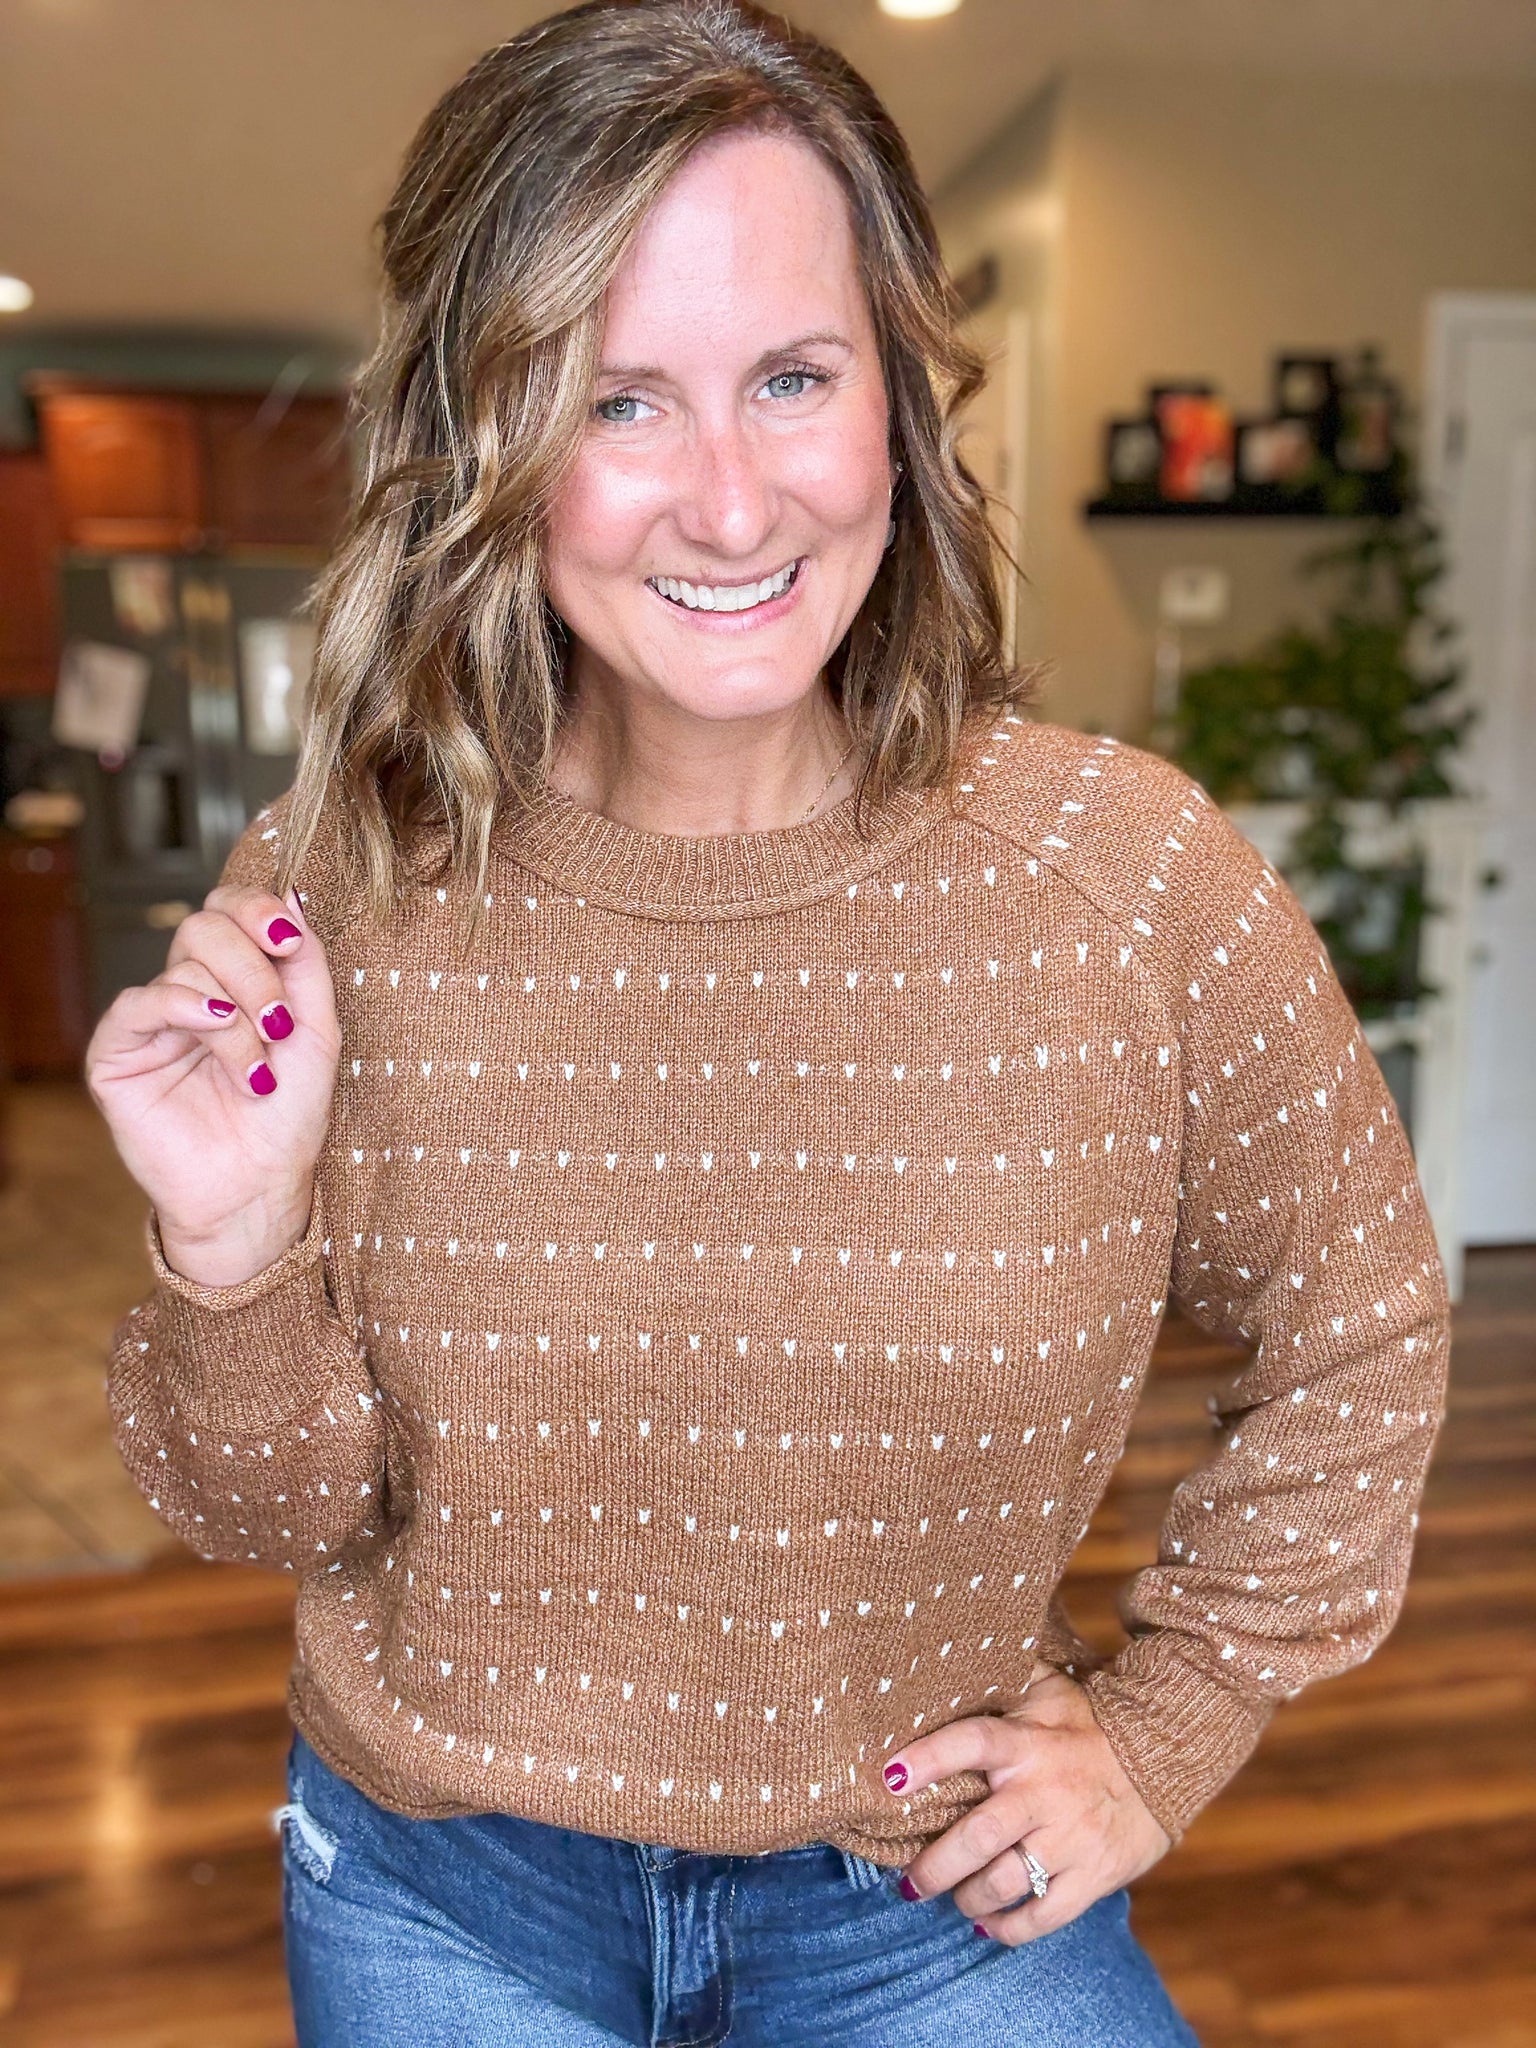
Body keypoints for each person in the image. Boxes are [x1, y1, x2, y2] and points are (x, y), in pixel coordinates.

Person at [86, 4, 1451, 2042]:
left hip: (929, 1901)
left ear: (896, 396)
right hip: (440, 1901)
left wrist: (1174, 1717)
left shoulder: (1131, 879)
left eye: (794, 378)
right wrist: (231, 1243)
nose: (730, 507)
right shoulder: (338, 883)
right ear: (486, 452)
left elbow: (1362, 1321)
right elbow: (266, 1511)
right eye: (617, 402)